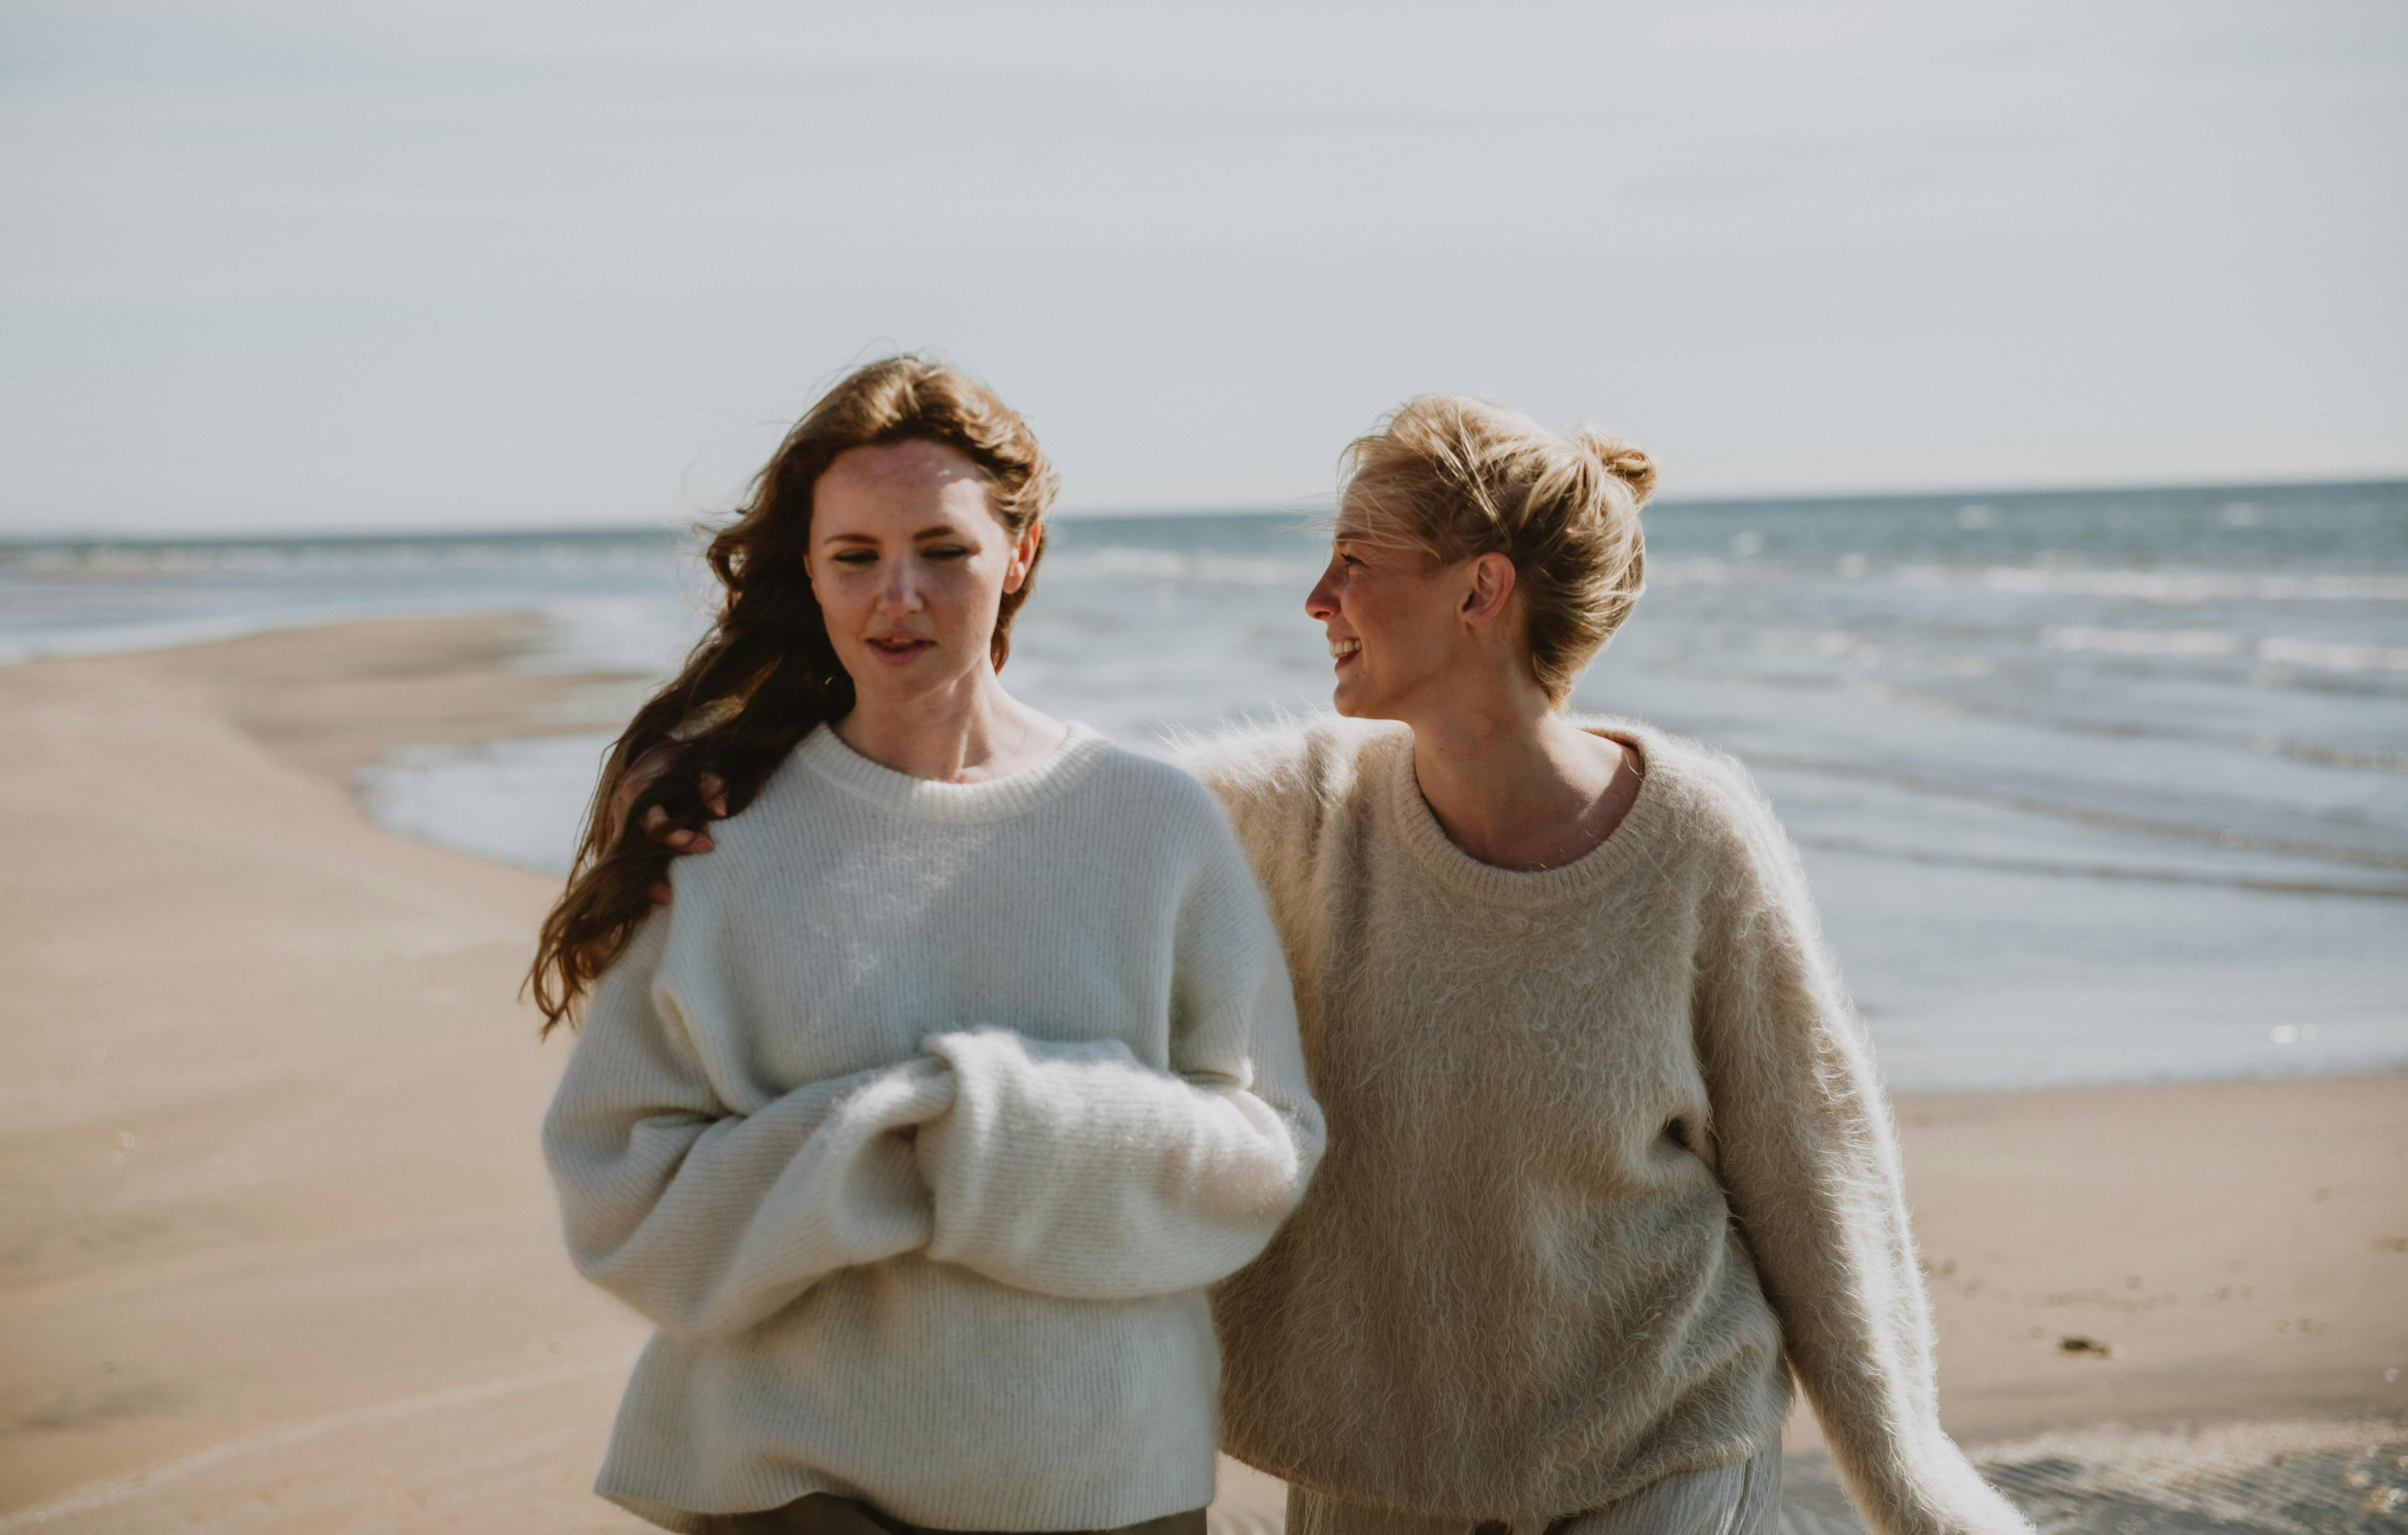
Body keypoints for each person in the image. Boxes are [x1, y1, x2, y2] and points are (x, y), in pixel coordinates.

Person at [1182, 397, 2032, 1535]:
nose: (1317, 600)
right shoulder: (1302, 812)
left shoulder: (1692, 840)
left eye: (1353, 561)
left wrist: (1910, 1482)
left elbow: (1809, 1165)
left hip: (1660, 1438)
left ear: (1480, 592)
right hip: (1383, 1459)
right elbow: (1072, 831)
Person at [532, 357, 1323, 1535]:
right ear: (810, 571)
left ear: (1022, 553)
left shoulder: (1153, 824)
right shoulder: (720, 836)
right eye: (856, 556)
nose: (898, 595)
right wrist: (897, 1141)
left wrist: (992, 1132)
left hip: (1112, 1486)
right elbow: (622, 1198)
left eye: (943, 550)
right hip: (799, 1487)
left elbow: (1264, 1152)